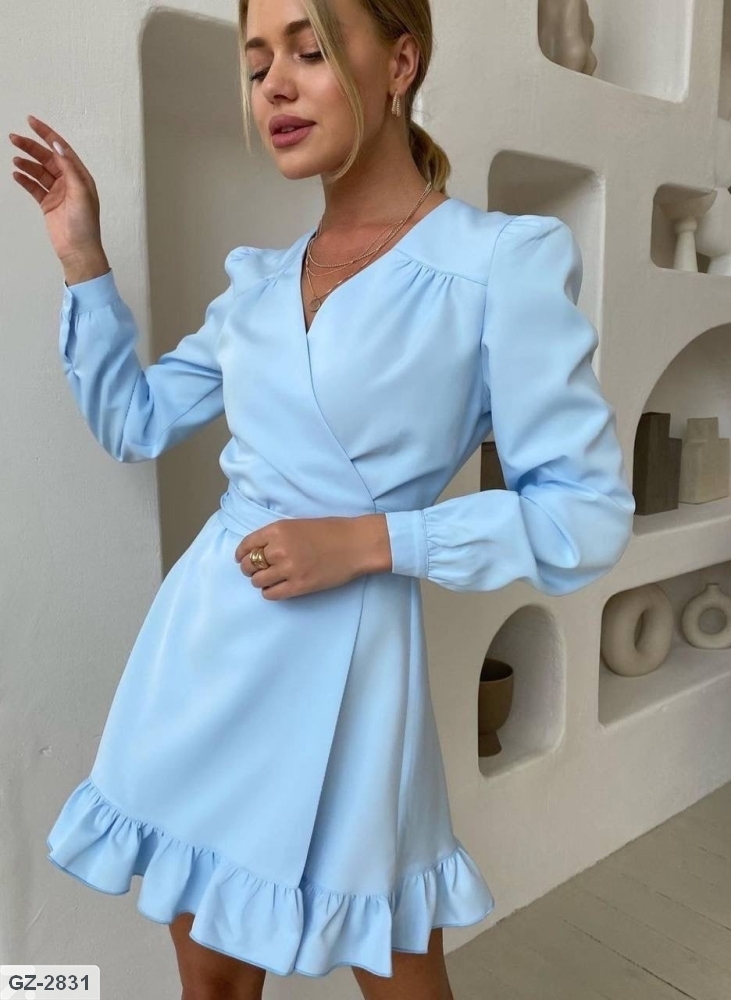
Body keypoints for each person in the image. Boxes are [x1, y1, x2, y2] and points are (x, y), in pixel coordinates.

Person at [10, 0, 635, 996]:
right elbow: (133, 422)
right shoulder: (255, 288)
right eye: (257, 62)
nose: (276, 86)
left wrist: (368, 541)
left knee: (397, 970)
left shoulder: (496, 262)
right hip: (205, 649)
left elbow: (582, 513)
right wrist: (81, 255)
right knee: (212, 982)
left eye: (308, 49)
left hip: (354, 671)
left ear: (399, 61)